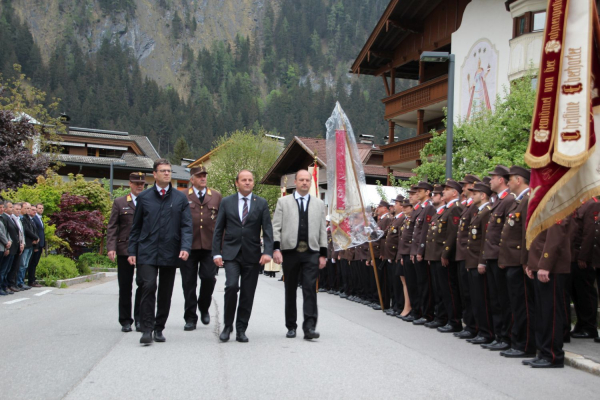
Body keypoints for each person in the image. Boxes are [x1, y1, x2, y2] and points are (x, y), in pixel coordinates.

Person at [128, 159, 193, 345]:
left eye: (169, 171)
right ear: (154, 174)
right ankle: (146, 329)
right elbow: (136, 227)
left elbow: (186, 226)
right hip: (146, 251)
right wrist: (133, 250)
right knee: (148, 286)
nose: (167, 173)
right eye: (163, 171)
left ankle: (159, 328)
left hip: (170, 251)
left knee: (165, 292)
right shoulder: (145, 198)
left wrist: (185, 247)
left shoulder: (180, 198)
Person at [212, 169, 273, 343]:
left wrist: (267, 252)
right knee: (231, 287)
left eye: (250, 180)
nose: (247, 182)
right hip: (231, 254)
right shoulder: (226, 202)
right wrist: (216, 252)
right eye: (244, 180)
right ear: (237, 183)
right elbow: (218, 230)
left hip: (252, 255)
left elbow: (267, 229)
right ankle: (227, 326)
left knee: (248, 293)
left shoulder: (261, 203)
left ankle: (241, 329)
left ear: (253, 183)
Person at [272, 170, 327, 340]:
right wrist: (276, 249)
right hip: (290, 252)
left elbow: (322, 230)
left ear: (311, 183)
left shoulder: (318, 204)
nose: (304, 183)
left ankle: (309, 327)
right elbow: (276, 227)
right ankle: (291, 326)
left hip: (311, 252)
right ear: (295, 182)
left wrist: (323, 253)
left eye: (307, 180)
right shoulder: (283, 202)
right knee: (290, 289)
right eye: (301, 180)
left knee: (310, 289)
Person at [498, 166, 536, 357]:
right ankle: (517, 341)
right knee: (515, 304)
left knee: (523, 306)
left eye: (510, 179)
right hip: (512, 261)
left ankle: (525, 345)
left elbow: (525, 235)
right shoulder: (517, 202)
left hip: (519, 262)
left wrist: (525, 261)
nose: (508, 182)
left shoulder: (527, 200)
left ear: (519, 180)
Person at [524, 219, 571, 368]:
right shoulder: (545, 203)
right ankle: (543, 352)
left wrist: (545, 264)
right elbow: (537, 236)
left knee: (550, 312)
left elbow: (555, 237)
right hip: (540, 264)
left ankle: (553, 355)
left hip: (552, 266)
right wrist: (532, 264)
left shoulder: (556, 200)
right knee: (542, 313)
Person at [180, 166, 222, 331]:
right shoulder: (183, 196)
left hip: (209, 246)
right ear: (192, 179)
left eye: (204, 175)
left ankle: (203, 306)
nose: (203, 178)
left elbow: (221, 223)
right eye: (199, 176)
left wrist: (221, 247)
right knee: (188, 283)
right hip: (188, 246)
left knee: (208, 278)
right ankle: (190, 317)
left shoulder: (216, 196)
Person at [482, 165, 516, 351]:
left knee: (504, 300)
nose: (490, 181)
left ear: (501, 180)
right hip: (492, 256)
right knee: (495, 299)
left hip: (500, 257)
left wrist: (502, 257)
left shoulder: (509, 200)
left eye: (493, 178)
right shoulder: (498, 201)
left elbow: (506, 233)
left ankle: (507, 336)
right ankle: (499, 335)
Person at [107, 172, 146, 333]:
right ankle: (125, 320)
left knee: (143, 285)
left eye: (142, 183)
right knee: (125, 286)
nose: (139, 186)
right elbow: (112, 226)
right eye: (136, 183)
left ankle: (139, 319)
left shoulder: (148, 202)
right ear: (130, 184)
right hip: (124, 249)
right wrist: (111, 247)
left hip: (143, 250)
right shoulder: (120, 202)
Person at [464, 182, 495, 345]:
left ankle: (486, 332)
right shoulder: (479, 212)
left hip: (478, 262)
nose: (472, 195)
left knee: (482, 299)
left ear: (483, 195)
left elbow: (485, 240)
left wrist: (482, 261)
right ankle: (480, 329)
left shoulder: (486, 212)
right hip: (472, 261)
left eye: (475, 193)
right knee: (476, 298)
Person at [0, 201, 20, 295]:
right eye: (11, 207)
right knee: (3, 269)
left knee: (7, 269)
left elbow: (7, 233)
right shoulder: (3, 218)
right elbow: (1, 233)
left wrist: (10, 241)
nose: (1, 209)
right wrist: (6, 243)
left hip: (9, 246)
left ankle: (5, 286)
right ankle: (3, 286)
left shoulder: (7, 219)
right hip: (4, 247)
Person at [18, 202, 38, 290]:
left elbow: (33, 229)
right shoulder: (22, 219)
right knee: (22, 265)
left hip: (30, 244)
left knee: (25, 265)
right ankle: (19, 282)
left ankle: (21, 281)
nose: (28, 210)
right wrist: (35, 237)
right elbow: (26, 230)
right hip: (26, 244)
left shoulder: (28, 218)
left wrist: (36, 239)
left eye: (29, 208)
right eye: (26, 208)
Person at [27, 203, 44, 287]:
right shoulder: (34, 219)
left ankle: (32, 279)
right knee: (32, 263)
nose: (41, 210)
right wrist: (36, 245)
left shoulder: (39, 218)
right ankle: (31, 280)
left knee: (35, 263)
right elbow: (34, 232)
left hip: (40, 244)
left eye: (42, 208)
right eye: (39, 208)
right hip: (35, 244)